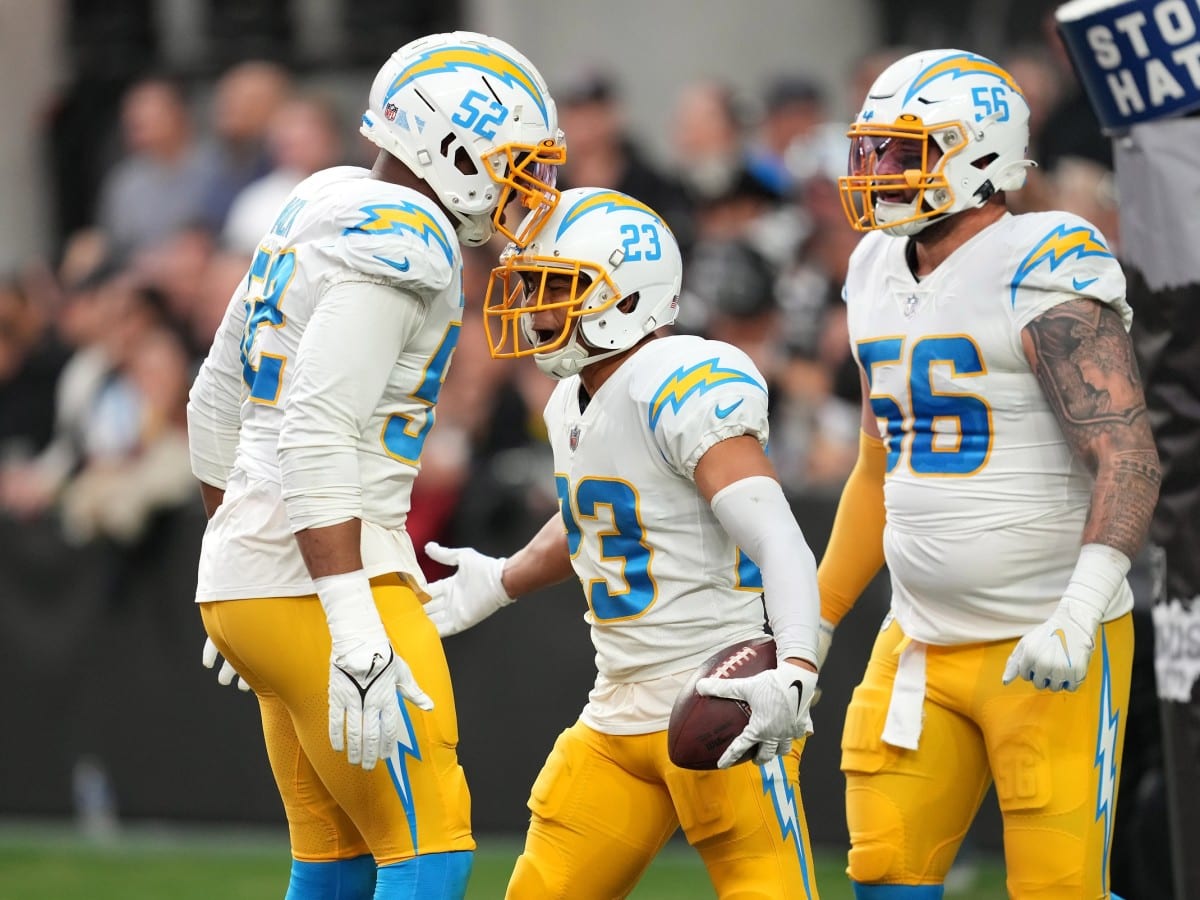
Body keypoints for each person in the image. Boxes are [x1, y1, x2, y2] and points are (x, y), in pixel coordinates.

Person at [186, 31, 565, 900]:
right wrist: (352, 628)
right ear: (452, 147)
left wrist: (239, 553)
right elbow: (317, 426)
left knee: (335, 860)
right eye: (514, 163)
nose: (526, 188)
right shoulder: (411, 238)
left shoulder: (322, 196)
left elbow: (216, 397)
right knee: (429, 848)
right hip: (329, 576)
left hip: (258, 574)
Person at [818, 49, 1162, 898]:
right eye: (871, 151)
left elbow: (1126, 450)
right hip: (920, 644)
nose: (877, 173)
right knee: (886, 878)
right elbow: (875, 468)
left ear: (977, 154)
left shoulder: (1043, 255)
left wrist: (1079, 615)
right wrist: (810, 631)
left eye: (902, 152)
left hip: (1047, 642)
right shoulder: (871, 267)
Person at [423, 186, 823, 899]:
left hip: (717, 697)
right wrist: (503, 579)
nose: (536, 308)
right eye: (533, 286)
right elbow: (594, 517)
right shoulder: (570, 396)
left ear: (628, 298)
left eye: (555, 289)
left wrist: (794, 668)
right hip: (613, 713)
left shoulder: (680, 379)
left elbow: (779, 537)